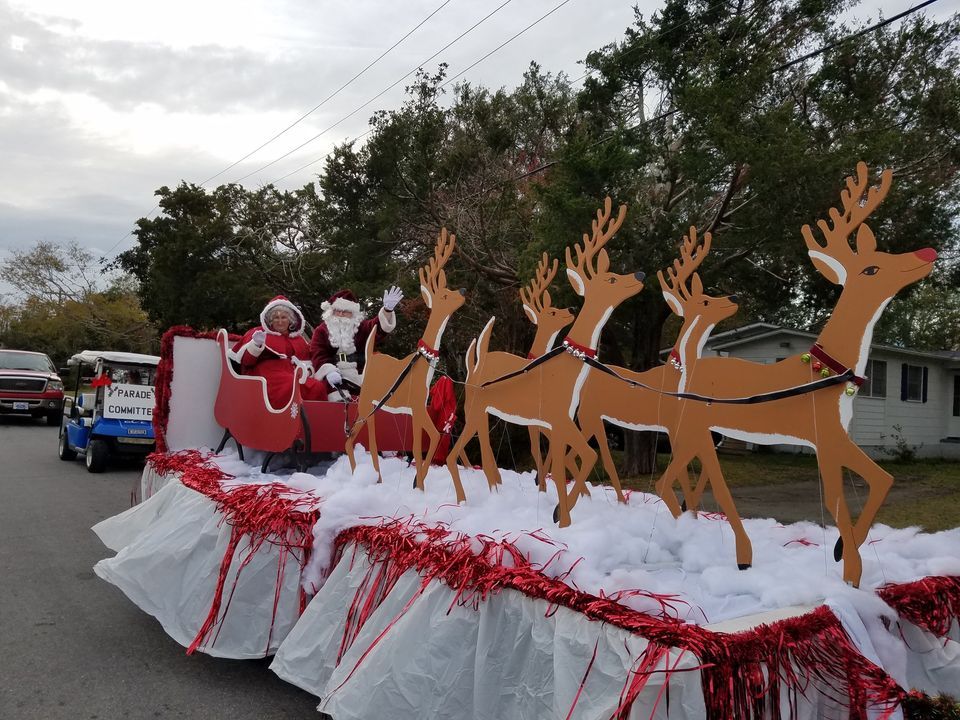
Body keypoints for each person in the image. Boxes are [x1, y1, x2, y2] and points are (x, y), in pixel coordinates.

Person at [232, 296, 331, 408]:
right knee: (290, 385)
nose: (279, 321)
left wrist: (306, 371)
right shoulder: (258, 332)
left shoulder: (298, 339)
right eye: (275, 318)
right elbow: (246, 361)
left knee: (317, 387)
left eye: (283, 317)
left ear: (290, 320)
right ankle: (285, 419)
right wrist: (255, 345)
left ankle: (315, 420)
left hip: (293, 374)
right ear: (270, 320)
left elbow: (308, 363)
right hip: (266, 375)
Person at [310, 286, 403, 400]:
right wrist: (329, 371)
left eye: (345, 312)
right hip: (334, 373)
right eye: (337, 311)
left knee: (380, 390)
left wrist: (387, 311)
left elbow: (375, 327)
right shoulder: (321, 331)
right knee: (336, 394)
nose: (340, 314)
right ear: (331, 311)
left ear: (353, 314)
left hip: (360, 373)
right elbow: (318, 354)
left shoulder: (360, 327)